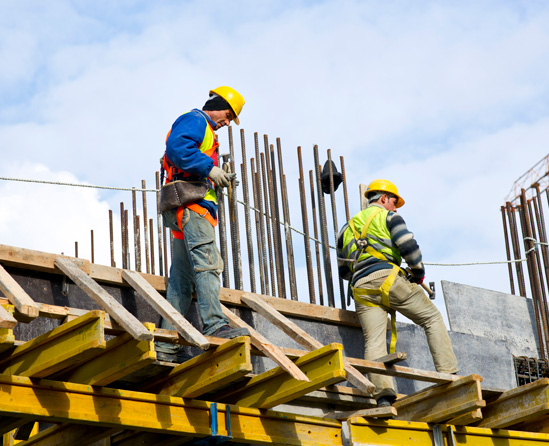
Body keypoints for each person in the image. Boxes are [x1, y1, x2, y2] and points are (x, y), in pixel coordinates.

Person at [337, 179, 458, 407]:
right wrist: (418, 273)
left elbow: (344, 270)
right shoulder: (389, 217)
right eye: (394, 202)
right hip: (389, 279)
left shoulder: (346, 228)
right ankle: (449, 375)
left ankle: (383, 396)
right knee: (432, 318)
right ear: (383, 199)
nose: (395, 207)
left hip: (361, 288)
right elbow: (408, 247)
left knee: (374, 341)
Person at [156, 86, 249, 363]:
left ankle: (167, 344)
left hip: (185, 210)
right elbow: (177, 149)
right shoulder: (196, 120)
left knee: (181, 282)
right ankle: (215, 325)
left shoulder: (207, 132)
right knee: (208, 265)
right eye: (228, 115)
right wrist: (209, 169)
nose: (227, 122)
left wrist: (215, 174)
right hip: (192, 209)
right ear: (217, 104)